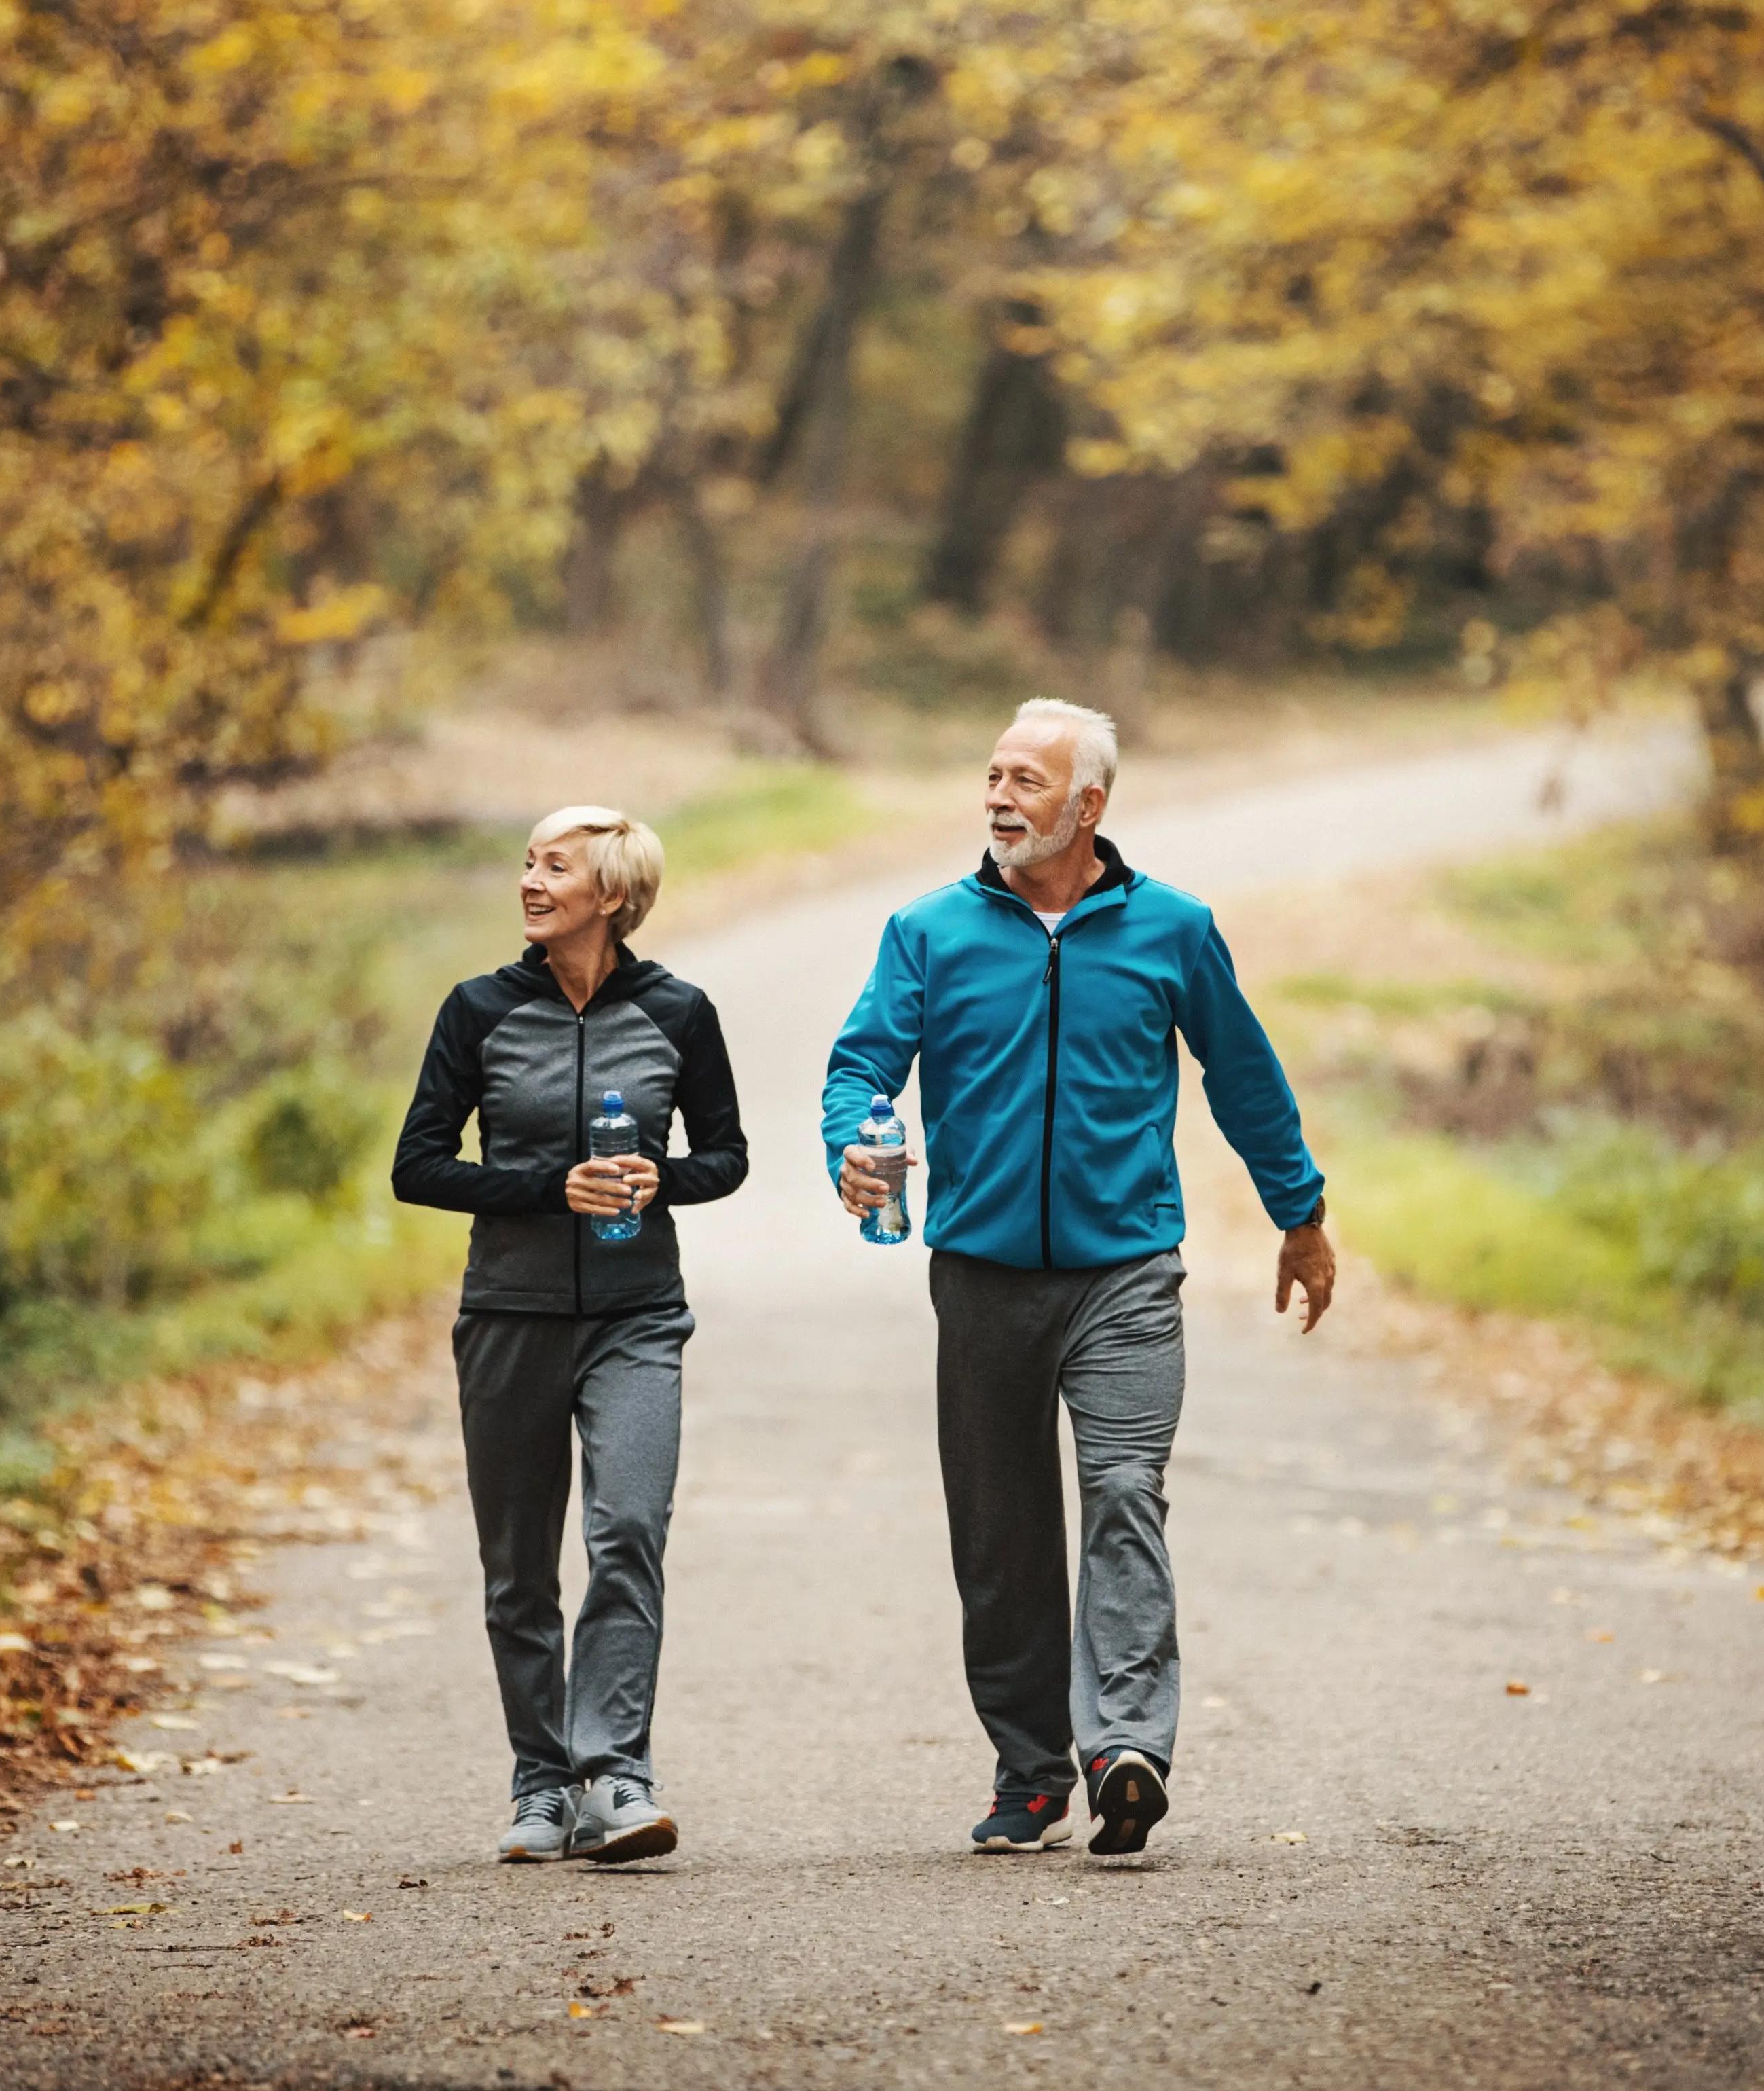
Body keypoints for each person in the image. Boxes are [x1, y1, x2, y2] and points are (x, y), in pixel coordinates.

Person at [823, 698, 1336, 1857]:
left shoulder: (1174, 930)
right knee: (1000, 1535)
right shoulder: (929, 931)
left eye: (1027, 781)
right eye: (993, 775)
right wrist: (853, 1146)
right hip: (981, 1275)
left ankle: (1127, 1750)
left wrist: (1299, 1214)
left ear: (1088, 805)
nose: (999, 798)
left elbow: (1243, 1074)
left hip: (1127, 1273)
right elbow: (861, 1067)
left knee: (1124, 1492)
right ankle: (1031, 1769)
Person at [393, 806, 744, 1865]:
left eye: (556, 868)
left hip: (637, 1318)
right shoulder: (479, 1011)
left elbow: (726, 1157)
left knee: (628, 1531)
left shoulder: (678, 1012)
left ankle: (616, 1775)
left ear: (614, 895)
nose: (531, 882)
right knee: (518, 1572)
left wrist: (659, 1177)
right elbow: (418, 1166)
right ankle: (540, 1783)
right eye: (529, 863)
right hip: (510, 1318)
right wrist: (552, 1187)